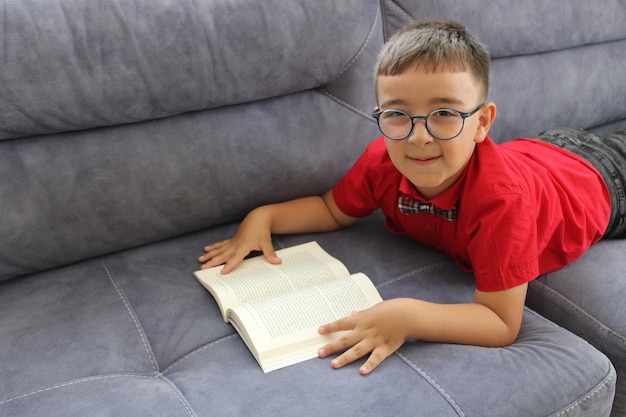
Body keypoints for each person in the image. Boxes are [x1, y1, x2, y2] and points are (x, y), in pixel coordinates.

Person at [198, 19, 626, 375]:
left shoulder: (501, 201)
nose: (418, 137)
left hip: (606, 181)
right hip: (550, 149)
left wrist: (409, 316)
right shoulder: (381, 162)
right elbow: (332, 209)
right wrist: (264, 217)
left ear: (482, 123)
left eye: (444, 113)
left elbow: (500, 321)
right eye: (398, 115)